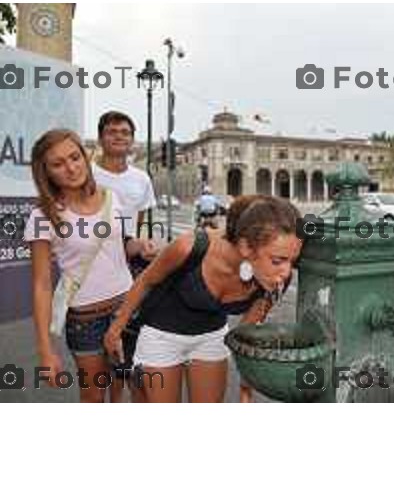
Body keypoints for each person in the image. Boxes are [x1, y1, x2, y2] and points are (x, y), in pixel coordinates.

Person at [104, 195, 303, 403]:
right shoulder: (189, 247)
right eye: (278, 260)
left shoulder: (276, 282)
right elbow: (145, 281)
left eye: (292, 261)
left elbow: (246, 332)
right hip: (162, 336)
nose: (286, 271)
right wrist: (115, 329)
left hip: (211, 337)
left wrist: (247, 384)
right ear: (245, 247)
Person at [24, 129, 133, 403]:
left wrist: (140, 245)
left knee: (125, 387)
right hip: (87, 322)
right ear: (45, 172)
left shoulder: (111, 198)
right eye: (58, 164)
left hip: (128, 311)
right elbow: (41, 285)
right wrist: (45, 350)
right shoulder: (42, 217)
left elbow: (117, 250)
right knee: (94, 396)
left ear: (85, 157)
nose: (71, 168)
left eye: (75, 157)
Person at [92, 111, 158, 401]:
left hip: (130, 263)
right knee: (97, 341)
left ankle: (118, 399)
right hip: (94, 264)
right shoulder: (88, 175)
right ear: (101, 137)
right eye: (112, 131)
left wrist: (138, 246)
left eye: (125, 132)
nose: (119, 136)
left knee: (127, 339)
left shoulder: (141, 179)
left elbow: (138, 222)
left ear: (132, 140)